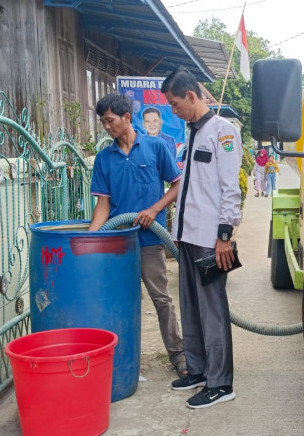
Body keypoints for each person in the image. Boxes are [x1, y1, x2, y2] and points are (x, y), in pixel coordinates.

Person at [88, 93, 188, 378]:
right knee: (119, 301)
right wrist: (91, 240)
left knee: (161, 299)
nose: (106, 127)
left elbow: (177, 185)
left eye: (110, 121)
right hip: (117, 243)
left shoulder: (155, 147)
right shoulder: (105, 159)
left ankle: (179, 356)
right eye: (103, 122)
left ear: (127, 118)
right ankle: (118, 360)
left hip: (150, 241)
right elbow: (103, 205)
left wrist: (154, 209)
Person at [161, 68, 242, 409]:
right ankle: (198, 370)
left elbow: (229, 189)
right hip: (188, 238)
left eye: (176, 104)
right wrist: (178, 232)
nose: (173, 110)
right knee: (191, 309)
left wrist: (225, 236)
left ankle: (221, 383)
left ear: (191, 97)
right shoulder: (192, 132)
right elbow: (191, 188)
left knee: (212, 313)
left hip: (211, 240)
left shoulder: (222, 132)